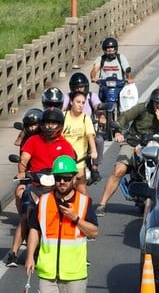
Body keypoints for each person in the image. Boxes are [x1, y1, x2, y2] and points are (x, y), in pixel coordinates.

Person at [26, 155, 98, 293]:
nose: (62, 182)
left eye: (66, 178)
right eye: (58, 178)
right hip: (47, 269)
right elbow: (34, 230)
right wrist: (30, 256)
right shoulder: (44, 202)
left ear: (74, 180)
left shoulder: (84, 203)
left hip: (74, 271)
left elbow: (94, 231)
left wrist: (76, 218)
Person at [6, 108, 77, 267]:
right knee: (26, 214)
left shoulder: (65, 145)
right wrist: (22, 176)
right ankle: (14, 252)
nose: (50, 126)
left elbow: (70, 165)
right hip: (35, 185)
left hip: (55, 188)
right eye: (47, 123)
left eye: (53, 123)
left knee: (69, 213)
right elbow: (24, 159)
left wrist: (68, 179)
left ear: (60, 125)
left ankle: (73, 251)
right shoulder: (33, 140)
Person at [95, 88, 159, 216]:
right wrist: (118, 131)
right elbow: (125, 117)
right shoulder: (142, 108)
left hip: (156, 146)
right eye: (156, 103)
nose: (158, 106)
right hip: (134, 143)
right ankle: (102, 204)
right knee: (118, 170)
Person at [62, 72, 104, 184]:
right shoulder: (67, 97)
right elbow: (61, 108)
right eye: (76, 88)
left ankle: (95, 168)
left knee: (98, 140)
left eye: (81, 87)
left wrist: (101, 116)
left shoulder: (92, 96)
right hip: (71, 129)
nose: (79, 90)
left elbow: (97, 107)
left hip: (88, 126)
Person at [62, 91, 98, 196]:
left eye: (83, 103)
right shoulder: (63, 117)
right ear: (71, 102)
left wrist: (94, 151)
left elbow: (90, 136)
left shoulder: (85, 118)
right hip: (63, 160)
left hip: (78, 162)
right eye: (78, 102)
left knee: (81, 191)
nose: (81, 105)